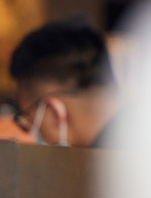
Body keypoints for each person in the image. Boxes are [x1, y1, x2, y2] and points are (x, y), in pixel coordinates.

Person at [8, 18, 120, 148]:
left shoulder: (108, 164)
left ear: (55, 113)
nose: (33, 133)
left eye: (28, 119)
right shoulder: (143, 127)